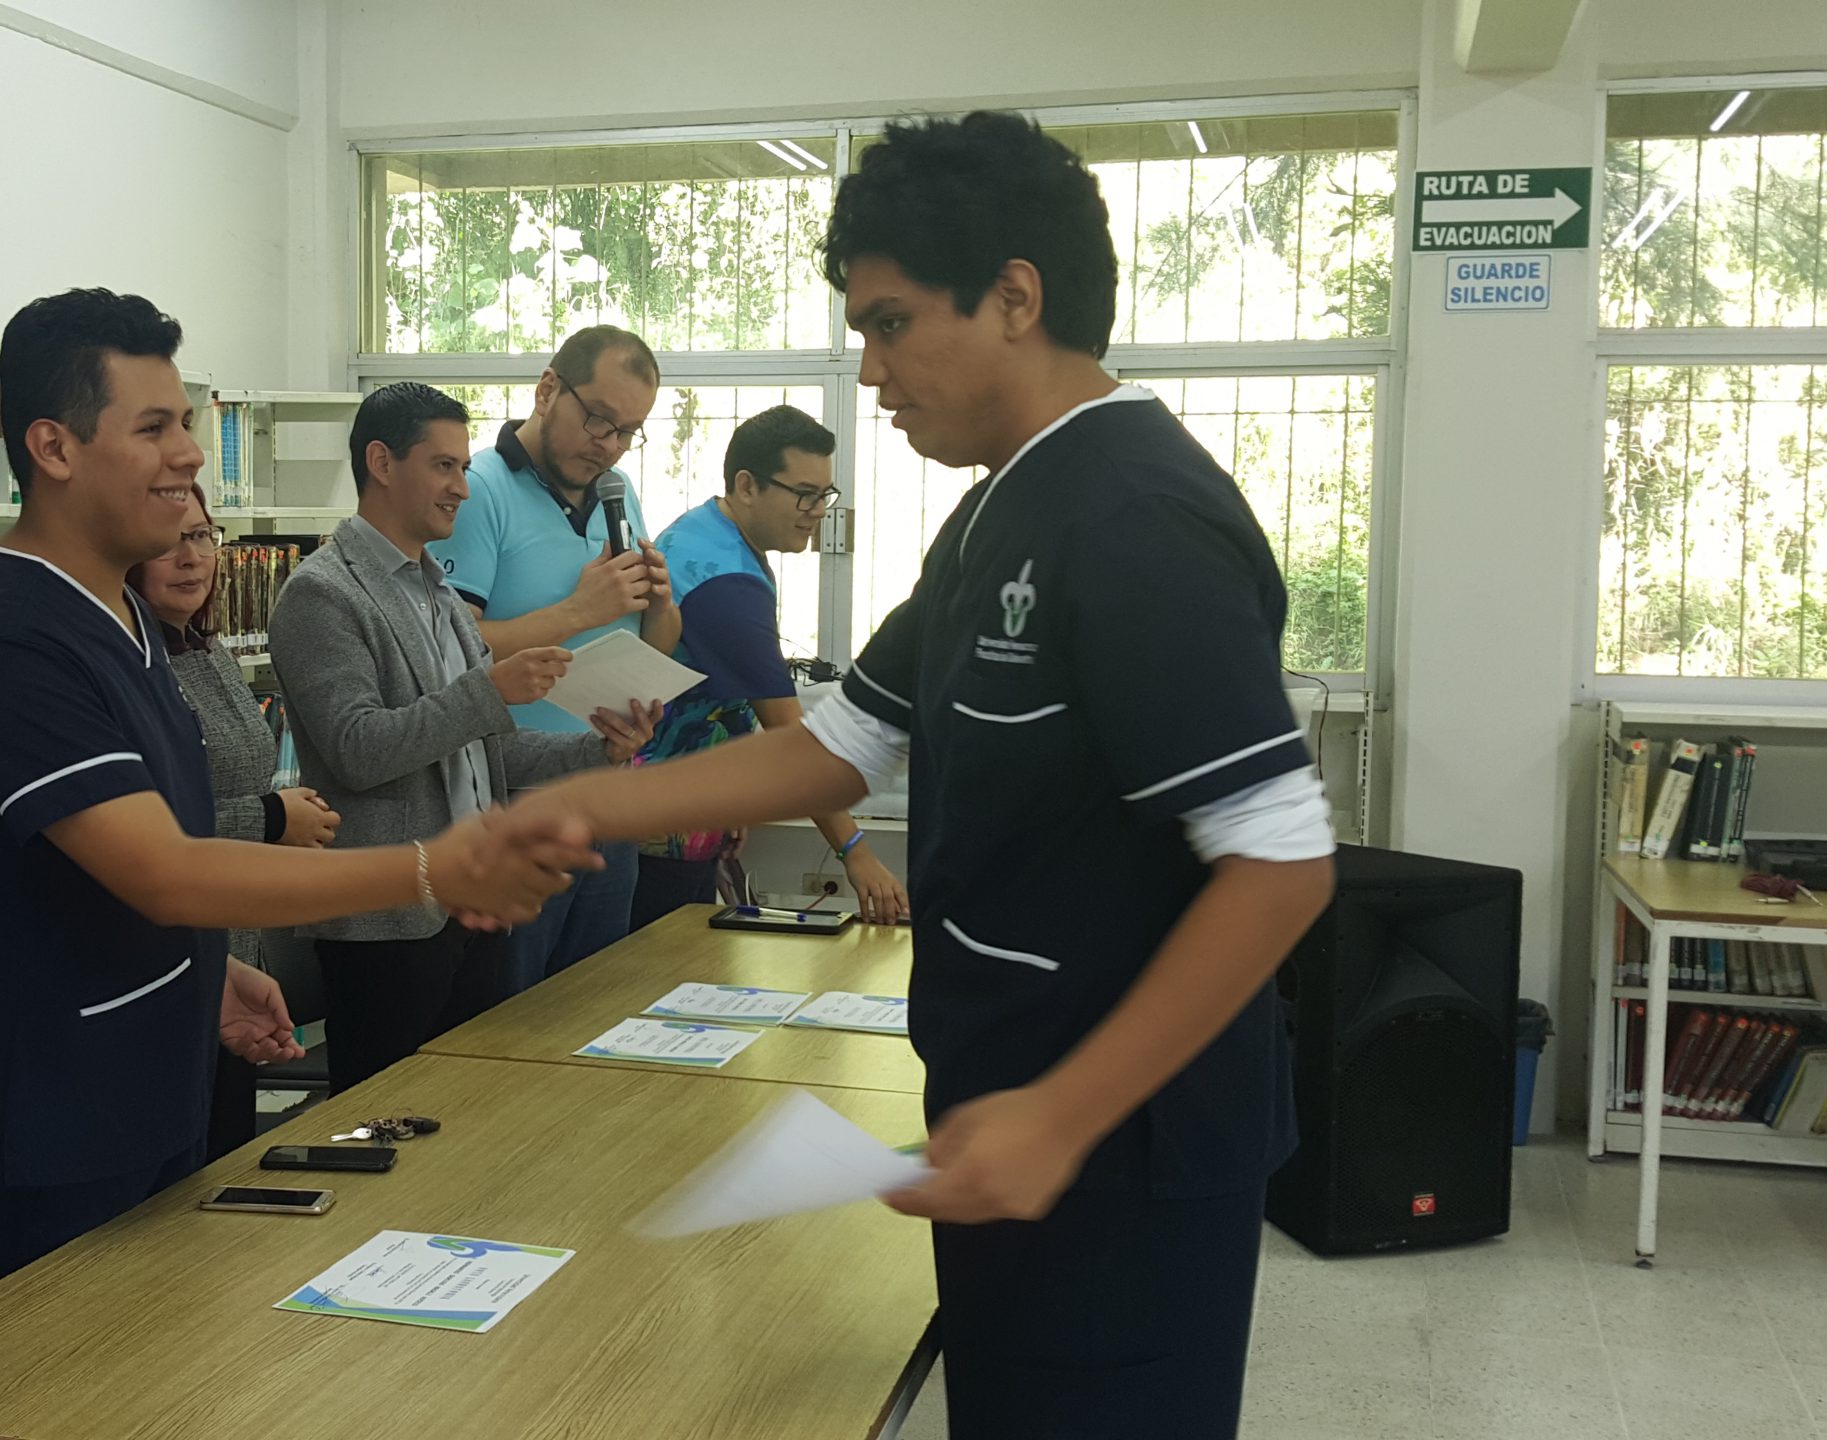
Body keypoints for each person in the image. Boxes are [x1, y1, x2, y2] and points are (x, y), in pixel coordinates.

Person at [514, 113, 1337, 1440]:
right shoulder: (999, 507)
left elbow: (1284, 860)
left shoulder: (1134, 512)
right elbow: (839, 741)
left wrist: (1061, 1117)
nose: (871, 370)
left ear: (1015, 296)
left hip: (1117, 1145)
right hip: (1002, 1117)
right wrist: (582, 803)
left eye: (890, 324)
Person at [0, 289, 596, 1296]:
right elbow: (169, 871)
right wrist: (428, 866)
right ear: (53, 447)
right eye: (154, 428)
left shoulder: (126, 622)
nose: (189, 455)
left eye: (185, 423)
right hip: (57, 1113)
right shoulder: (9, 637)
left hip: (159, 1077)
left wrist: (208, 971)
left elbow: (112, 858)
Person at [271, 383, 657, 1091]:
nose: (462, 489)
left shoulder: (438, 593)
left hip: (472, 907)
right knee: (384, 1119)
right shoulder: (323, 593)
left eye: (463, 467)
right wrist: (489, 691)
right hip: (388, 920)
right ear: (381, 463)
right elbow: (358, 750)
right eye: (444, 467)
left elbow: (482, 749)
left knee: (472, 1111)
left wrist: (595, 750)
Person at [433, 325, 680, 992]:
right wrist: (579, 611)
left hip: (609, 783)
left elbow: (654, 642)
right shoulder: (478, 489)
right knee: (513, 1008)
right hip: (518, 794)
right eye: (598, 419)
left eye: (628, 431)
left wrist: (659, 602)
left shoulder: (617, 491)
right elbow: (449, 649)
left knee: (595, 1003)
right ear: (547, 390)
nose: (609, 444)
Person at [625, 405, 909, 931]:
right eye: (803, 494)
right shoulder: (726, 583)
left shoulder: (708, 531)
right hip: (659, 825)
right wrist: (855, 851)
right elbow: (790, 737)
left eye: (824, 494)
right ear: (747, 485)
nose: (817, 511)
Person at [130, 487, 338, 1153]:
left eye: (202, 536)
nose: (191, 557)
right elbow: (142, 834)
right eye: (170, 541)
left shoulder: (207, 647)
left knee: (224, 1149)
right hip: (164, 948)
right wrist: (270, 820)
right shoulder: (133, 667)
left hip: (236, 944)